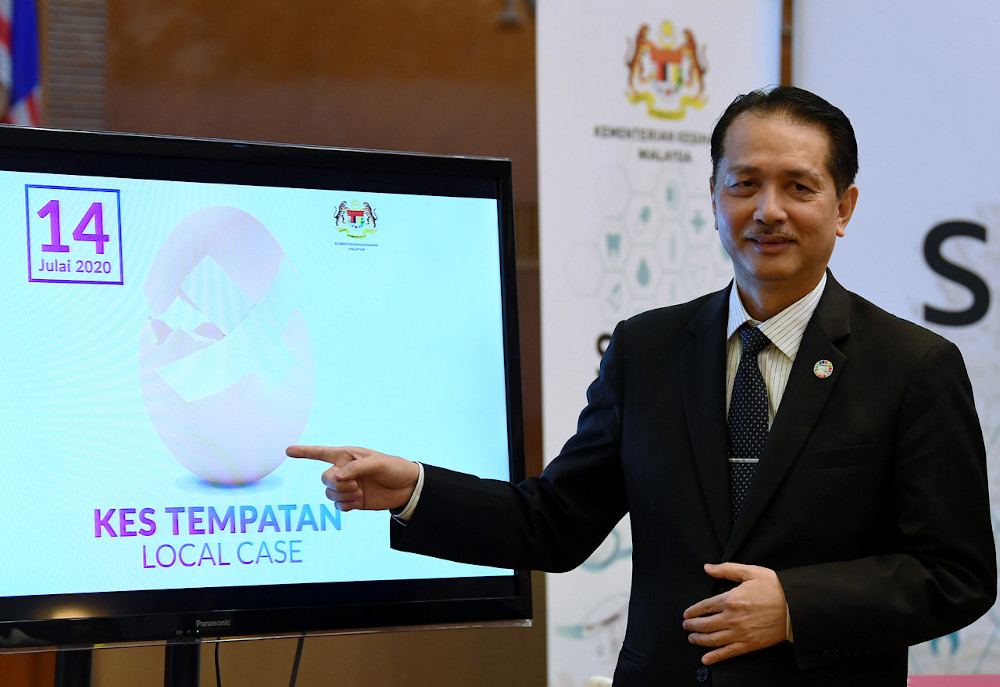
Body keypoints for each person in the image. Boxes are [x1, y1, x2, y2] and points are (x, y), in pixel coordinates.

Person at [286, 86, 997, 685]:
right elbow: (555, 522)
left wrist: (796, 606)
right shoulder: (647, 349)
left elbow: (957, 574)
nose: (768, 209)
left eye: (799, 186)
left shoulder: (912, 366)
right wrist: (414, 489)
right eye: (744, 183)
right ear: (713, 196)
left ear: (843, 207)